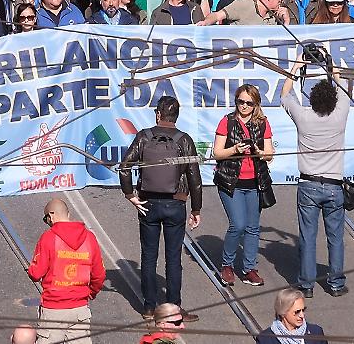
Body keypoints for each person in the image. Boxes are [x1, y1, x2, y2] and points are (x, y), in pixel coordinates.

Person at [118, 96, 202, 322]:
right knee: (173, 258)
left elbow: (125, 167)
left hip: (147, 204)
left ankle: (148, 307)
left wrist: (130, 196)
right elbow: (195, 178)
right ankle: (174, 307)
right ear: (176, 116)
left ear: (158, 115)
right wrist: (196, 209)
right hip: (175, 204)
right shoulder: (184, 140)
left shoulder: (143, 137)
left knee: (148, 256)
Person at [281, 48, 351, 298]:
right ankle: (335, 283)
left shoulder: (303, 116)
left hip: (308, 185)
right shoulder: (340, 114)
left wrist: (295, 67)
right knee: (335, 237)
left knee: (308, 237)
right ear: (332, 100)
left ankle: (307, 285)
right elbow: (342, 86)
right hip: (334, 185)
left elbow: (285, 94)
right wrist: (331, 67)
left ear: (311, 100)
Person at [213, 84, 274, 286]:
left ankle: (249, 269)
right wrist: (235, 149)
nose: (244, 106)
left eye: (249, 103)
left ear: (256, 104)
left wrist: (258, 150)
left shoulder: (263, 123)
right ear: (236, 101)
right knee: (237, 225)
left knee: (253, 227)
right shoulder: (227, 122)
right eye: (241, 102)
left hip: (255, 183)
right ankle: (227, 265)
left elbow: (270, 155)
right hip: (231, 182)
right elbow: (217, 153)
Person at [27, 197, 105, 344]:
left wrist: (31, 269)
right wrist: (90, 293)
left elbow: (36, 273)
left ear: (51, 215)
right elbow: (99, 275)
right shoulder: (89, 238)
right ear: (68, 214)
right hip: (80, 309)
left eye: (46, 219)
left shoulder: (48, 238)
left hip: (53, 309)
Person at [254, 289, 329, 344]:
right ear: (283, 312)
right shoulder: (265, 339)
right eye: (297, 312)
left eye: (303, 310)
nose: (302, 315)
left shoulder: (316, 332)